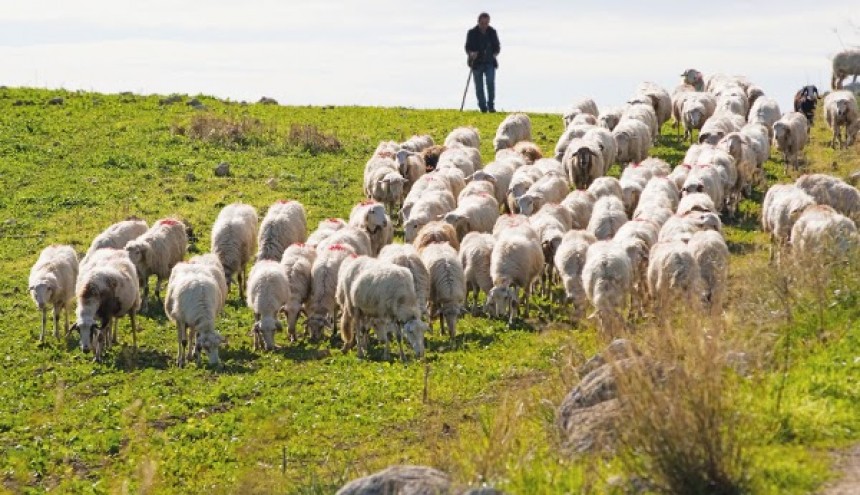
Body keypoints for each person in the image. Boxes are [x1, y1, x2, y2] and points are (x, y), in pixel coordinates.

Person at [465, 12, 500, 113]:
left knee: (490, 83)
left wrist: (495, 53)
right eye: (482, 23)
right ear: (478, 22)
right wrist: (471, 53)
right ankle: (483, 107)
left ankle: (491, 107)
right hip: (476, 63)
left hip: (490, 62)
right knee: (479, 86)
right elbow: (467, 47)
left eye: (486, 23)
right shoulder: (471, 32)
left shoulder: (492, 32)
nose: (484, 25)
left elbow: (497, 46)